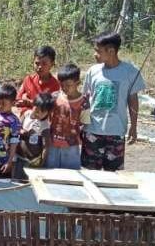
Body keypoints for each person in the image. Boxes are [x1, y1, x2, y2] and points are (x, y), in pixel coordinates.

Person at [82, 32, 146, 171]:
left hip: (116, 132)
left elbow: (133, 101)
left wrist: (133, 127)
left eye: (98, 51)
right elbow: (85, 100)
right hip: (92, 132)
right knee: (90, 173)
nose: (95, 55)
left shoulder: (130, 72)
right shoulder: (93, 71)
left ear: (111, 51)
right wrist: (81, 125)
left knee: (113, 176)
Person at [47, 63, 89, 169]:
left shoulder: (84, 103)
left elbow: (84, 123)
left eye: (68, 85)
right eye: (62, 85)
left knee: (71, 175)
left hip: (71, 147)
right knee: (51, 173)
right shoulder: (55, 97)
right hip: (52, 144)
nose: (64, 88)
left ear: (77, 83)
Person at [13, 93, 54, 180]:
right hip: (20, 157)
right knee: (17, 179)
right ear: (33, 105)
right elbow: (17, 126)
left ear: (48, 112)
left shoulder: (45, 126)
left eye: (42, 112)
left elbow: (46, 146)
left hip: (33, 161)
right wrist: (21, 131)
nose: (38, 113)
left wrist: (41, 162)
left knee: (30, 182)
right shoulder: (26, 114)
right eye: (36, 110)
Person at [16, 45, 61, 113]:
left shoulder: (55, 85)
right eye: (37, 63)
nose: (40, 67)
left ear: (52, 64)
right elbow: (17, 100)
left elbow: (50, 107)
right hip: (26, 117)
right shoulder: (28, 80)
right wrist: (21, 100)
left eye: (44, 64)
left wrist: (29, 102)